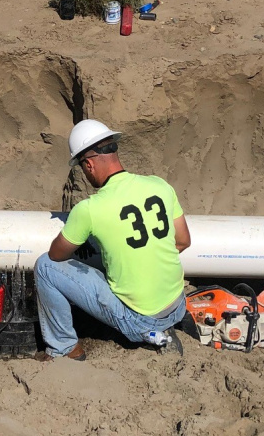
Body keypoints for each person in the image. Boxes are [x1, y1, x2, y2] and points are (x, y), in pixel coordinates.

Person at [33, 120, 190, 361]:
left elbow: (56, 256)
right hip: (178, 306)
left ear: (89, 164)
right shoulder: (160, 186)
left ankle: (64, 348)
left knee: (44, 267)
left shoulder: (90, 209)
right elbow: (183, 241)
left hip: (139, 321)